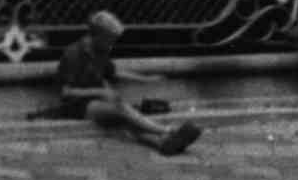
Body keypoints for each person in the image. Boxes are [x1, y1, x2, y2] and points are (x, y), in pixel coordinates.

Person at [55, 10, 202, 156]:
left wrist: (146, 79)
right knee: (121, 109)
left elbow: (114, 72)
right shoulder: (73, 53)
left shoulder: (100, 50)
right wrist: (100, 91)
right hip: (76, 106)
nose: (112, 44)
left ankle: (161, 143)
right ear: (98, 35)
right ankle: (168, 131)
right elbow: (66, 92)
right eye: (110, 39)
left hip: (96, 101)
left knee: (125, 117)